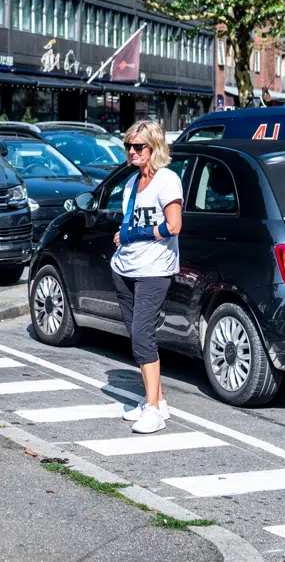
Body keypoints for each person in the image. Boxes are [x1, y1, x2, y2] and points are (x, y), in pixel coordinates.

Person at [110, 119, 184, 435]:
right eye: (129, 146)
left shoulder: (167, 180)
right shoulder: (131, 183)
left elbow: (174, 226)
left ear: (154, 148)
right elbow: (132, 224)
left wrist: (137, 233)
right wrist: (123, 234)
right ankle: (156, 399)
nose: (132, 151)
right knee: (138, 339)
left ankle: (154, 411)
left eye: (138, 146)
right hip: (124, 269)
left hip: (154, 271)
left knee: (143, 337)